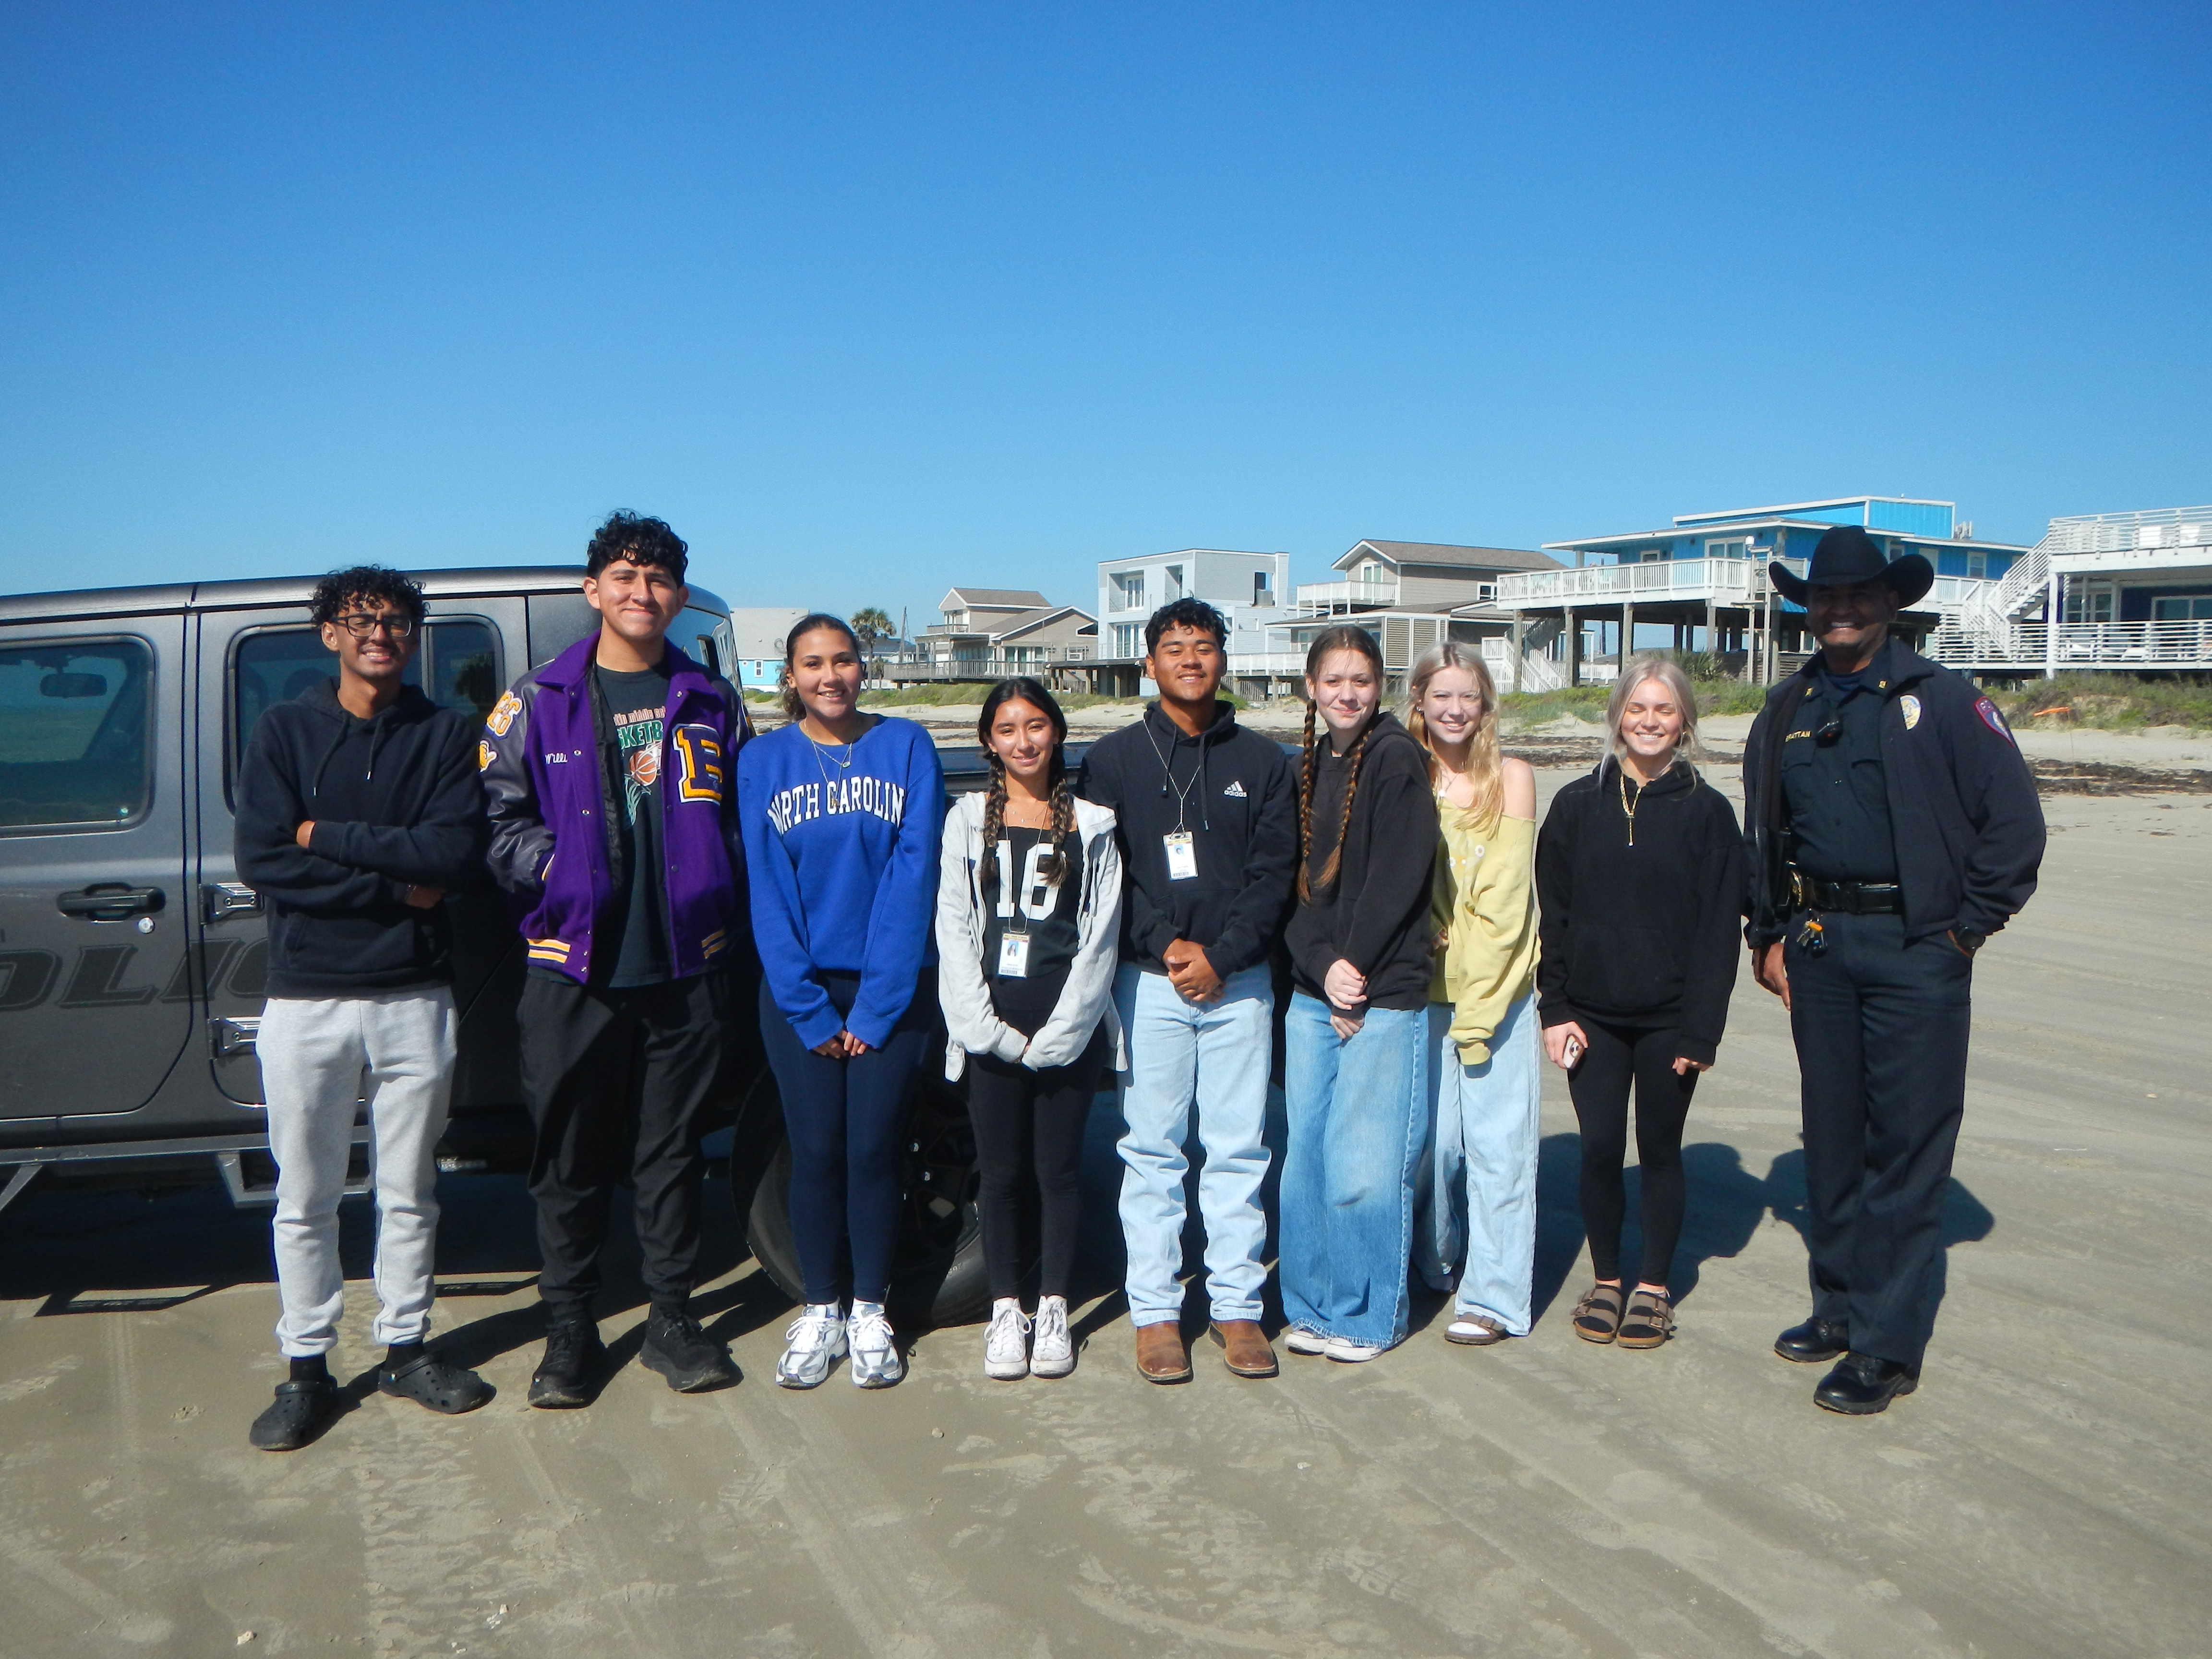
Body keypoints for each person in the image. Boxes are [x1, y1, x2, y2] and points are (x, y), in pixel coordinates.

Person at [1746, 526, 2044, 1414]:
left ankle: (1886, 1344)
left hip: (1919, 950)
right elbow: (1764, 829)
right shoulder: (1787, 707)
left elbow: (2016, 826)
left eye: (1857, 596)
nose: (1839, 609)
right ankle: (1837, 1307)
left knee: (1907, 1147)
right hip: (1819, 947)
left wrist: (1966, 932)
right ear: (1808, 608)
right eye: (1824, 597)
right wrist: (1765, 931)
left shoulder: (1944, 700)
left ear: (1890, 605)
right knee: (1832, 1140)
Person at [482, 512, 750, 1407]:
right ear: (592, 589)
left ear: (678, 597)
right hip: (572, 968)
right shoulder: (538, 699)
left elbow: (738, 821)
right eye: (626, 577)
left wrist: (720, 897)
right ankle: (569, 1330)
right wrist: (555, 868)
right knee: (568, 1157)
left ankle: (671, 1319)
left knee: (671, 1152)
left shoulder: (711, 701)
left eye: (661, 579)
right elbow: (495, 819)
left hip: (685, 966)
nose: (644, 593)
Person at [234, 565, 492, 1451]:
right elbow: (266, 859)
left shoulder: (447, 734)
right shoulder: (283, 731)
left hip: (414, 998)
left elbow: (454, 856)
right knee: (304, 1197)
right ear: (330, 634)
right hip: (306, 998)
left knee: (409, 1191)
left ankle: (406, 1349)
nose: (382, 633)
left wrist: (328, 837)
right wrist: (395, 881)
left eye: (398, 622)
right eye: (362, 619)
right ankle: (306, 1368)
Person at [1077, 599, 1297, 1384]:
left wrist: (1225, 954)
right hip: (1152, 985)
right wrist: (1167, 946)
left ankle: (1238, 1309)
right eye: (1174, 648)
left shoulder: (1266, 763)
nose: (1191, 660)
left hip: (1240, 987)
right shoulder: (1112, 760)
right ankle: (1157, 1315)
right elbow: (1109, 875)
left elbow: (1275, 878)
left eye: (1204, 647)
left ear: (1223, 660)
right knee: (1152, 1152)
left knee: (1239, 1149)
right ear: (1150, 663)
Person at [740, 614, 944, 1389]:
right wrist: (809, 1006)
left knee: (873, 1153)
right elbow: (767, 888)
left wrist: (878, 1006)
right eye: (813, 664)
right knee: (817, 1153)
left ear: (865, 668)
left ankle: (869, 1310)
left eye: (845, 661)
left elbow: (913, 876)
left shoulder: (906, 748)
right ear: (790, 675)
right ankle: (820, 1308)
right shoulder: (763, 761)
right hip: (802, 994)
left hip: (889, 990)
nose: (831, 676)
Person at [1538, 654, 1745, 1353]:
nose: (1649, 721)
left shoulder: (1709, 814)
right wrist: (1554, 1009)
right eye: (1637, 708)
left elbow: (1721, 930)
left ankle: (1653, 1286)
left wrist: (1702, 1031)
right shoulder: (1574, 805)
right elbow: (1554, 918)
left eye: (1664, 709)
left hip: (1669, 1019)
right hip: (1590, 1014)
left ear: (1684, 719)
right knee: (1599, 1148)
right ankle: (1606, 1279)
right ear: (1617, 716)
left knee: (1658, 1148)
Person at [935, 679, 1123, 1381]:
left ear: (1057, 732)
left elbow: (1101, 936)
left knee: (1059, 1172)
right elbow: (954, 929)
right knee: (1005, 1175)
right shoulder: (965, 818)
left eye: (1036, 725)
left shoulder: (1094, 825)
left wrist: (1066, 1032)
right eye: (1009, 728)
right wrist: (983, 1028)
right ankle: (1006, 1308)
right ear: (989, 740)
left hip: (1065, 1023)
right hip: (992, 1023)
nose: (1024, 741)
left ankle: (1053, 1309)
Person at [1278, 627, 1440, 1362]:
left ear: (1380, 688)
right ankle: (1312, 1305)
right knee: (1306, 1161)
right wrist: (1321, 964)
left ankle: (1370, 1315)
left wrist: (1354, 973)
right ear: (1311, 687)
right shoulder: (1307, 767)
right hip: (1315, 993)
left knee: (1365, 1165)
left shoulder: (1397, 759)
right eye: (1335, 680)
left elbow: (1400, 879)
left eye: (1363, 680)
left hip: (1383, 993)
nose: (1349, 693)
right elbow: (1291, 887)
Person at [1404, 643, 1540, 1350]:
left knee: (1498, 1151)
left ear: (1486, 706)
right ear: (1420, 702)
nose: (1456, 709)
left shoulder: (1511, 779)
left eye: (1470, 697)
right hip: (1421, 994)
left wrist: (1481, 1005)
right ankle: (1437, 1260)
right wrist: (1422, 934)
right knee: (1432, 1148)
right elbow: (1398, 884)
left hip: (1500, 993)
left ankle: (1495, 1297)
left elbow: (1505, 898)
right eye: (1442, 696)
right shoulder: (1404, 775)